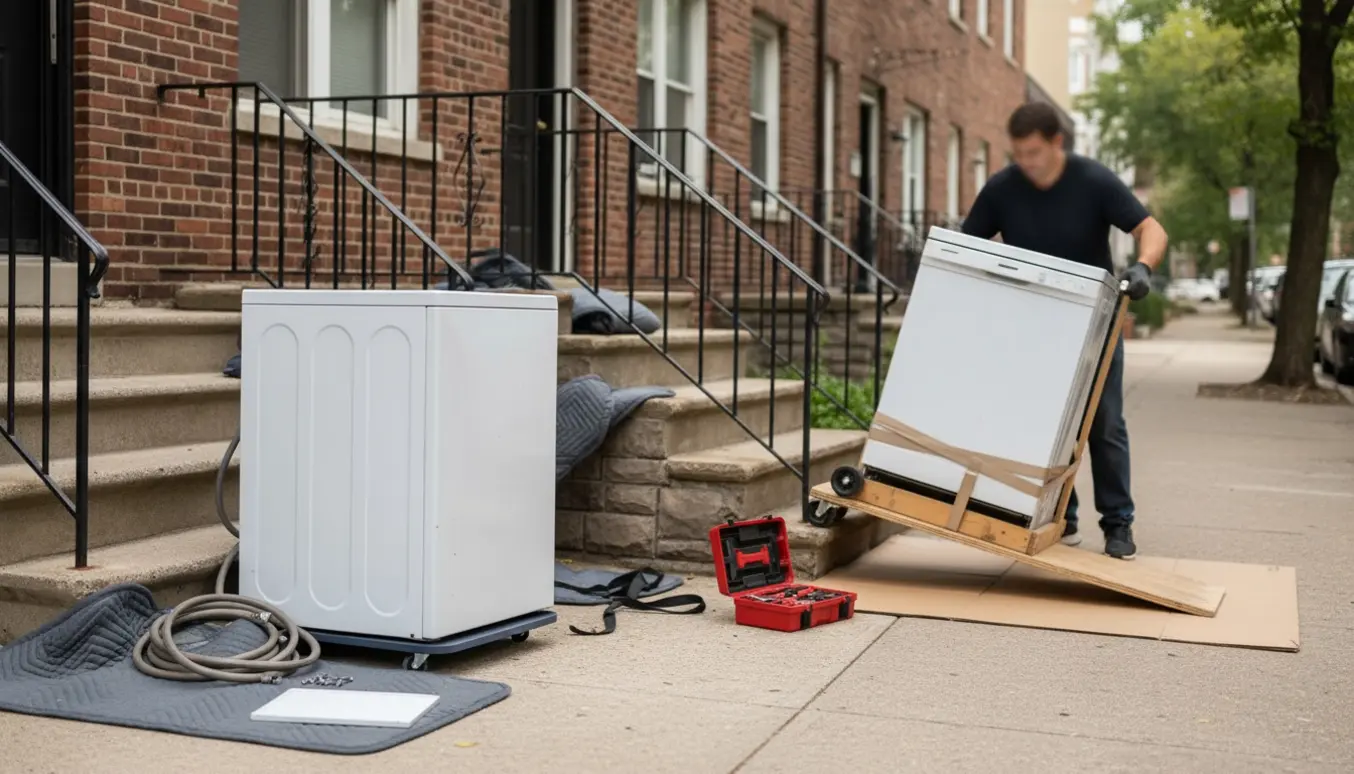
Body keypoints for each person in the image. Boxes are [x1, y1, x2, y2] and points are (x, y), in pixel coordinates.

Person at [961, 102, 1168, 560]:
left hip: (1095, 323)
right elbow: (967, 246)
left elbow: (1150, 229)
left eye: (1034, 152)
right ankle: (1061, 516)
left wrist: (1143, 266)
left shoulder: (1092, 181)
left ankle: (1118, 525)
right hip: (1033, 326)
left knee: (1105, 425)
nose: (1027, 163)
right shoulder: (1002, 189)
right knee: (1043, 426)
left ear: (1056, 143)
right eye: (1018, 154)